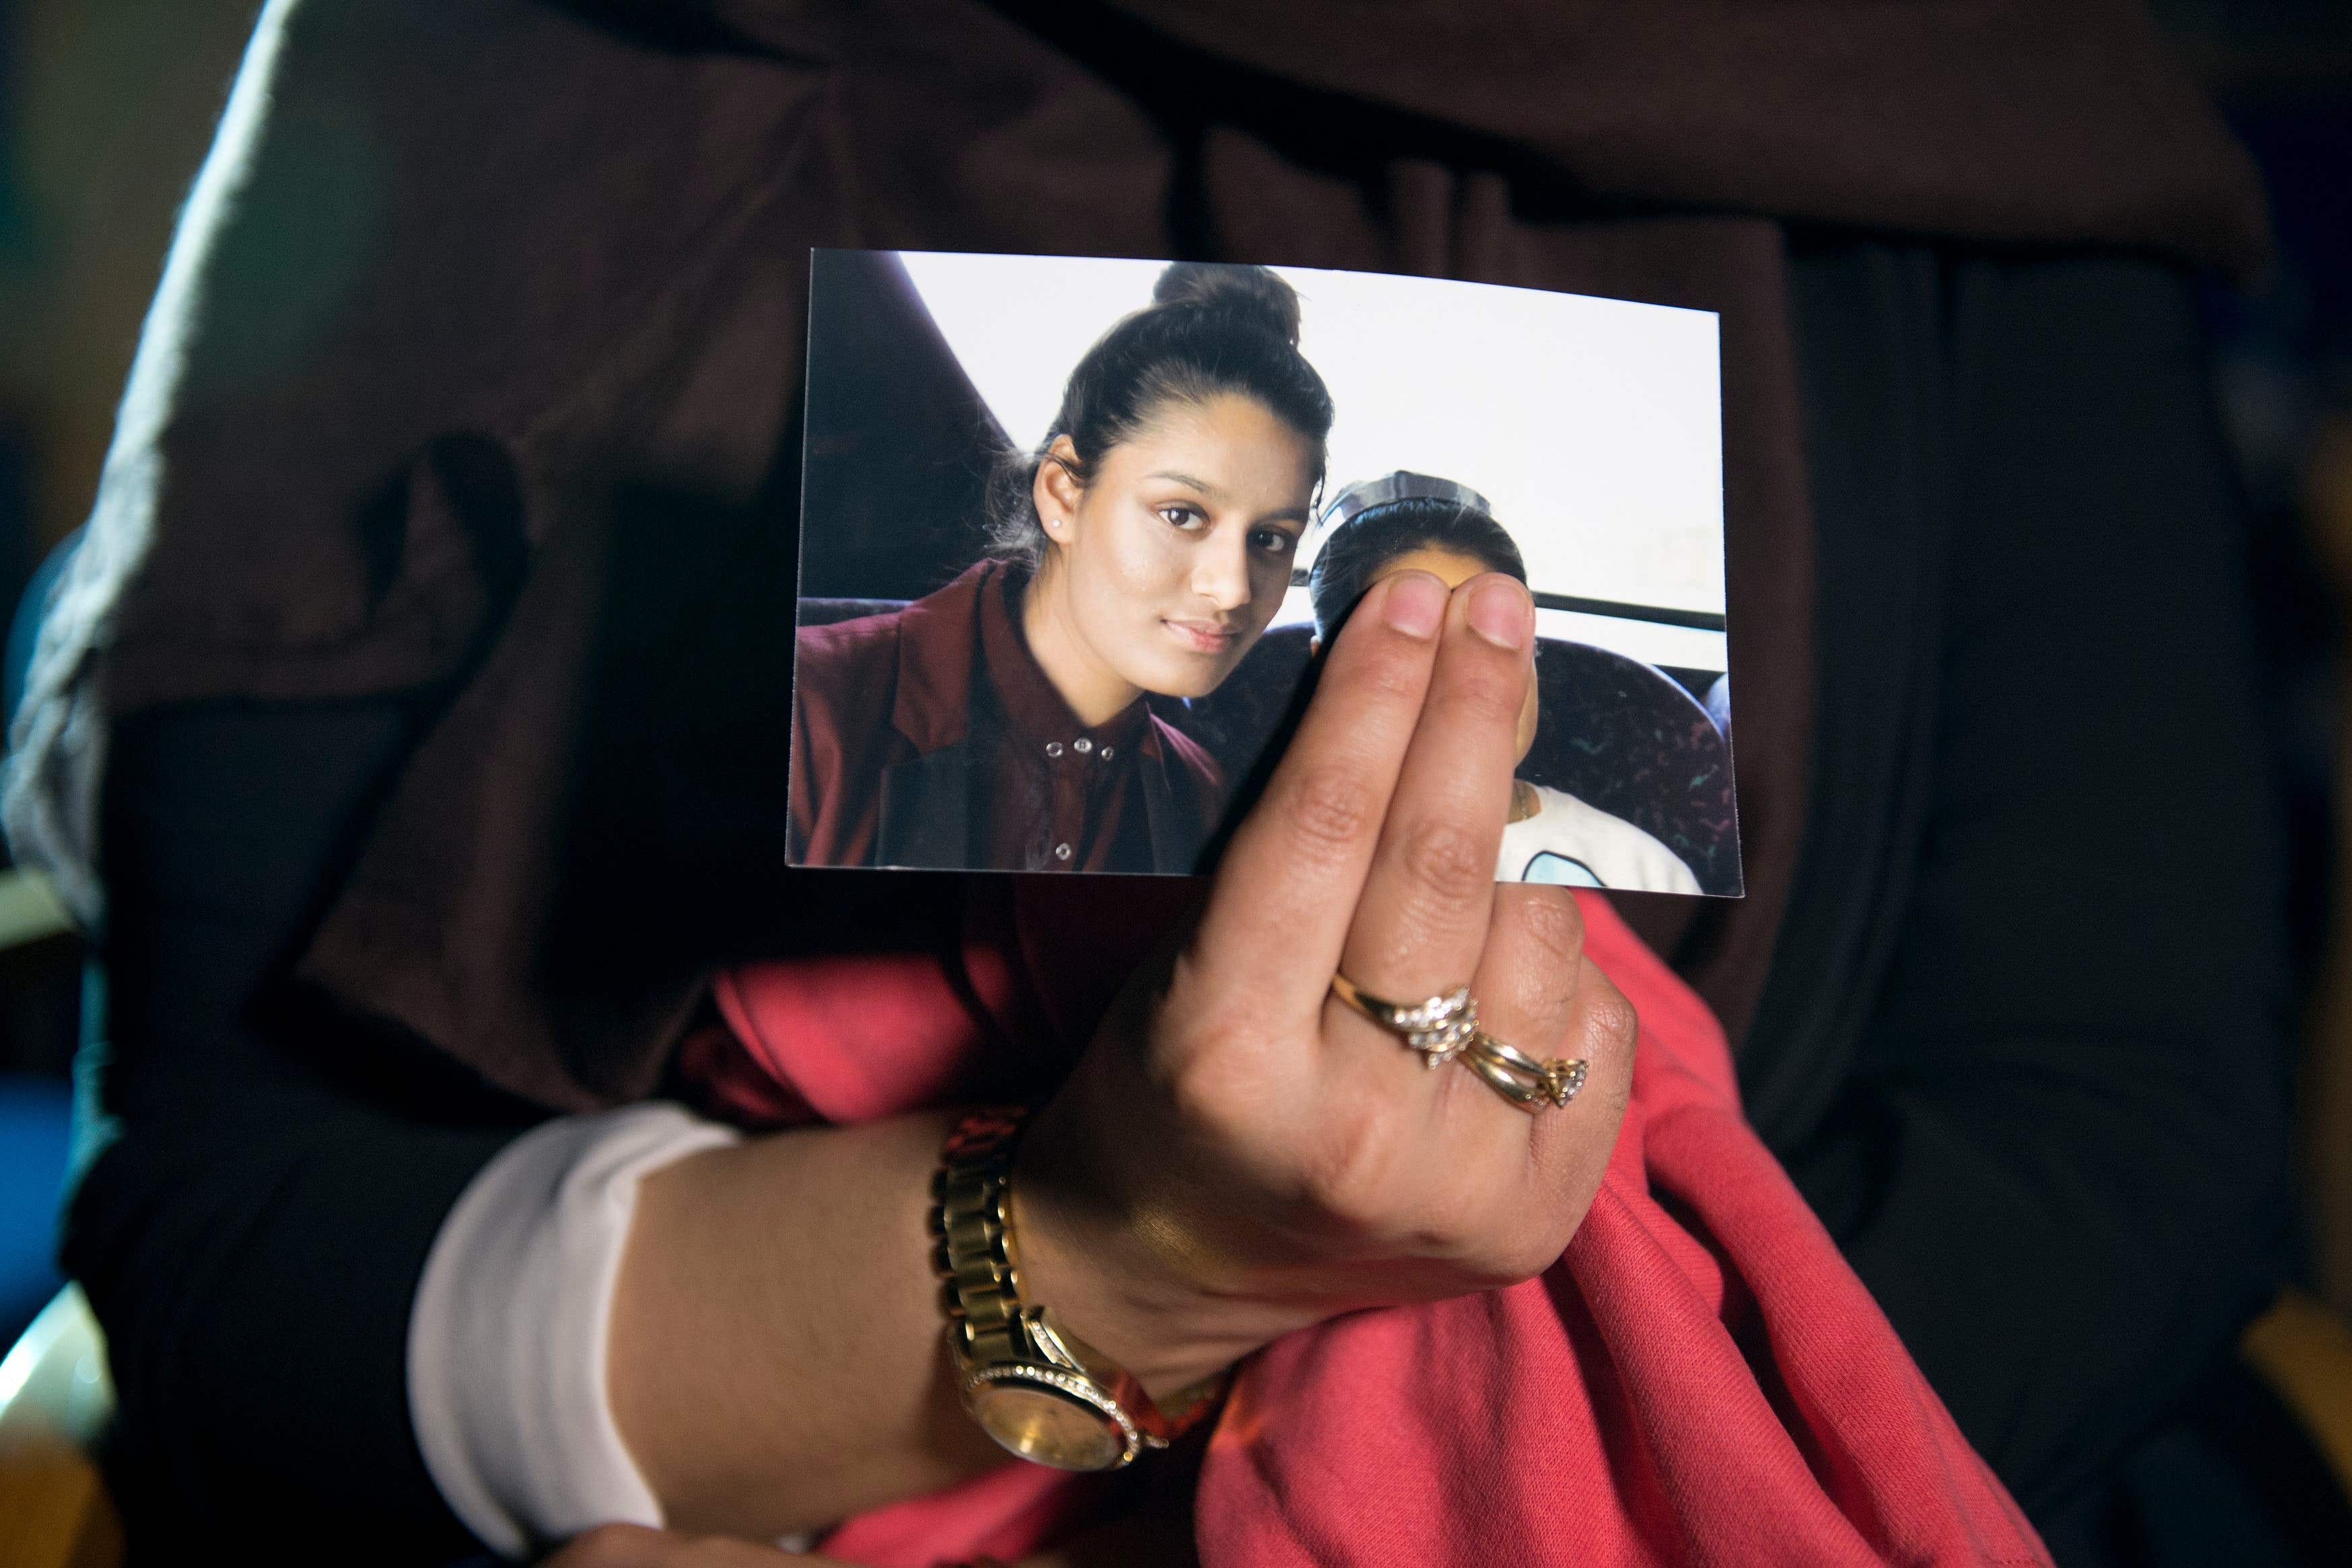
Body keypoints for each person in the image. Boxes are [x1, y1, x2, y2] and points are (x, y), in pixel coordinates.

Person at [6, 3, 2289, 1564]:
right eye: (1173, 522)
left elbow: (2113, 1147)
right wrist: (1122, 1256)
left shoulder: (1953, 88)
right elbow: (224, 1257)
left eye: (1262, 542)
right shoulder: (515, 70)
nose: (1217, 587)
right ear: (1057, 481)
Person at [790, 262, 1331, 875]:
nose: (1232, 588)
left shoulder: (1197, 799)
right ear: (1063, 494)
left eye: (1269, 537)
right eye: (1181, 515)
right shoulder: (809, 710)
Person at [1305, 472, 1705, 894]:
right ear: (1325, 671)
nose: (1468, 687)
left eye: (1495, 639)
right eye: (1414, 642)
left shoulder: (1642, 871)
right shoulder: (1286, 863)